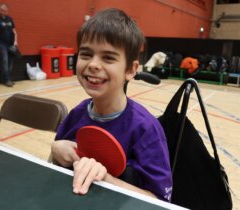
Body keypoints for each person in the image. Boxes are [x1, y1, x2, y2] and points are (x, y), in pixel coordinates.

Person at [51, 8, 173, 202]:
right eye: (86, 54)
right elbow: (53, 171)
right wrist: (54, 152)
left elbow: (159, 201)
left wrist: (106, 179)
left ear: (131, 70)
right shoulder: (76, 115)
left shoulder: (146, 129)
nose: (93, 64)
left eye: (108, 58)